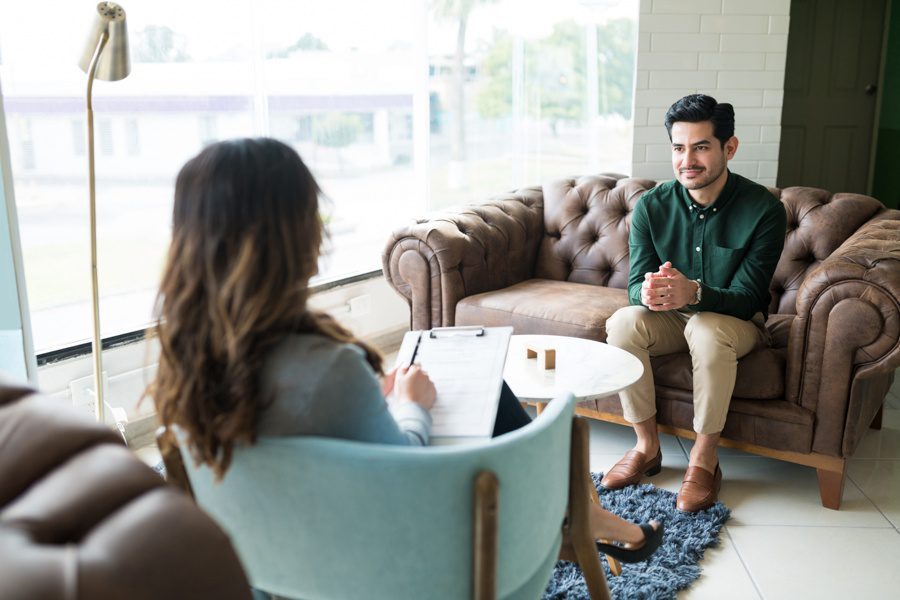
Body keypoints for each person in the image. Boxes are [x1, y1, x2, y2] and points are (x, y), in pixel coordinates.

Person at [149, 137, 662, 562]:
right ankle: (581, 516)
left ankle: (585, 517)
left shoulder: (183, 361)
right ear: (295, 234)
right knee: (507, 408)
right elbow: (407, 477)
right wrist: (410, 405)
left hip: (276, 567)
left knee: (483, 385)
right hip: (399, 564)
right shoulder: (327, 367)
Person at [601, 94, 786, 512]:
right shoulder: (651, 205)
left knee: (705, 326)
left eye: (701, 147)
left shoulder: (764, 210)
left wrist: (696, 293)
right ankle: (646, 447)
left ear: (729, 148)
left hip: (733, 323)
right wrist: (647, 293)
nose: (688, 160)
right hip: (670, 319)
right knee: (624, 322)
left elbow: (748, 298)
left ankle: (704, 460)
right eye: (679, 148)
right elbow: (635, 286)